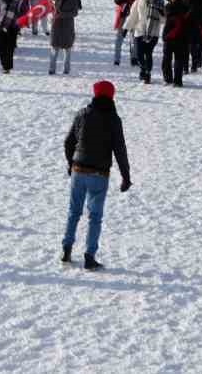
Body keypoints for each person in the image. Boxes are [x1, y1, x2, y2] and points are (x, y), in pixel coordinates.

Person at [61, 80, 132, 270]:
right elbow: (120, 150)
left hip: (78, 170)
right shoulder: (114, 119)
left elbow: (68, 142)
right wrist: (126, 176)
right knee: (95, 216)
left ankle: (66, 249)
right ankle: (89, 256)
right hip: (99, 174)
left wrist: (71, 164)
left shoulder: (82, 114)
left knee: (73, 212)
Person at [124, 0, 165, 83]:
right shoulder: (139, 1)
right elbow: (133, 16)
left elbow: (164, 20)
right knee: (139, 54)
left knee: (148, 53)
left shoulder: (159, 2)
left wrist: (161, 12)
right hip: (139, 31)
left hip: (153, 33)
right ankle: (144, 70)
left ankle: (147, 73)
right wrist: (126, 28)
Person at [49, 0, 84, 75]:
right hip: (56, 25)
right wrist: (52, 10)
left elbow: (75, 12)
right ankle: (52, 69)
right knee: (54, 48)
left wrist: (61, 15)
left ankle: (66, 69)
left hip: (67, 26)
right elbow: (54, 8)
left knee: (67, 49)